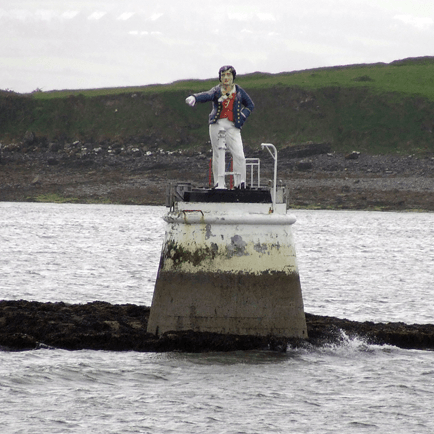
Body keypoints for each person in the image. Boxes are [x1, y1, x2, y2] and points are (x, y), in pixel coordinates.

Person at [185, 65, 254, 188]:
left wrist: (243, 115)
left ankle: (240, 182)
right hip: (217, 124)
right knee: (217, 154)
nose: (226, 77)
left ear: (233, 76)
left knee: (239, 154)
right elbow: (207, 95)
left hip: (233, 126)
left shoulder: (238, 91)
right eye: (223, 75)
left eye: (228, 74)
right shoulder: (217, 90)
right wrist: (195, 97)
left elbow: (250, 105)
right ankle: (219, 183)